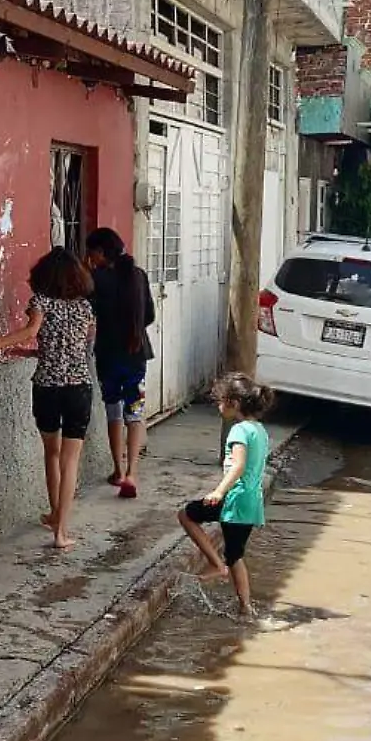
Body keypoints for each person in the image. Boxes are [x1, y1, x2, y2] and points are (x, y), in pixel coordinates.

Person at [0, 247, 96, 550]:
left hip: (47, 387)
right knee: (71, 459)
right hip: (79, 387)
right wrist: (44, 352)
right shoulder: (85, 308)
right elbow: (78, 348)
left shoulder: (41, 301)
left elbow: (31, 331)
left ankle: (56, 516)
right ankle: (60, 530)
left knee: (51, 454)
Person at [176, 373, 275, 619]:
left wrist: (219, 491)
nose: (218, 406)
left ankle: (216, 565)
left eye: (220, 401)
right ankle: (246, 608)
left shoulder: (239, 430)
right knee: (235, 555)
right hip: (251, 502)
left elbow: (238, 466)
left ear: (234, 402)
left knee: (186, 515)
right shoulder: (260, 430)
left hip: (234, 499)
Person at [83, 228, 154, 498]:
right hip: (136, 355)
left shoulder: (97, 279)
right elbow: (148, 315)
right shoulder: (139, 276)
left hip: (108, 355)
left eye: (92, 253)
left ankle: (118, 471)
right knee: (134, 412)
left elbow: (88, 310)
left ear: (101, 252)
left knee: (114, 411)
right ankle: (133, 473)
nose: (90, 258)